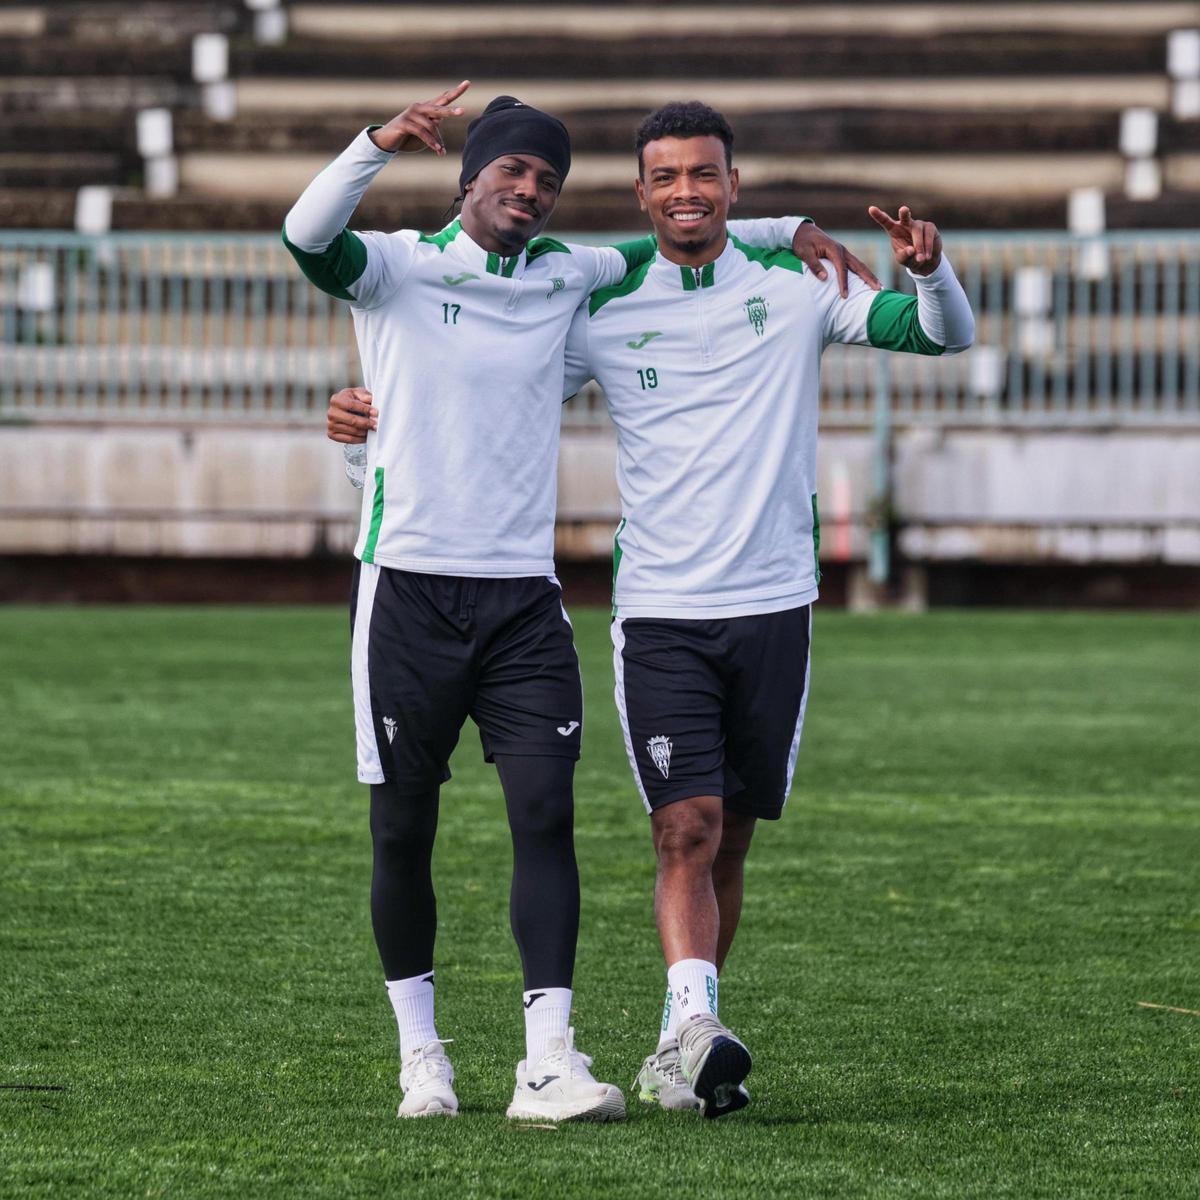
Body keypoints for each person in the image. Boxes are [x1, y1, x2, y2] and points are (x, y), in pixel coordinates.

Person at [285, 82, 877, 1123]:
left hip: (524, 599)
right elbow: (306, 231)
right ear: (471, 178)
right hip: (406, 588)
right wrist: (374, 144)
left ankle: (547, 1061)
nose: (529, 189)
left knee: (547, 816)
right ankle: (422, 1053)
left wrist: (789, 227)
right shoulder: (395, 268)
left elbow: (683, 233)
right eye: (511, 169)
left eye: (547, 178)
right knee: (401, 830)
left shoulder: (572, 273)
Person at [558, 100, 974, 1118]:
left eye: (706, 175)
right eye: (666, 177)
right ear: (640, 191)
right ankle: (697, 1022)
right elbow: (494, 383)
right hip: (659, 609)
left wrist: (928, 269)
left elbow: (941, 337)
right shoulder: (601, 304)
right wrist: (370, 425)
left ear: (734, 186)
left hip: (777, 603)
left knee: (732, 835)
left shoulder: (797, 285)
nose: (687, 192)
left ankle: (677, 1045)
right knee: (685, 827)